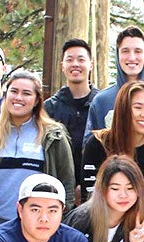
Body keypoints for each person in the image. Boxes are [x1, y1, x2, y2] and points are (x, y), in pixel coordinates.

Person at [0, 70, 75, 242]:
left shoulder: (54, 136)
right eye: (14, 91)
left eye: (26, 93)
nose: (18, 98)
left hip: (36, 233)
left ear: (37, 99)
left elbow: (67, 187)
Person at [81, 81, 144, 225]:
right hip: (104, 226)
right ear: (123, 110)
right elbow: (89, 196)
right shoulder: (98, 144)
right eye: (138, 107)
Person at [86, 26, 144, 140]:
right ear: (118, 55)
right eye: (125, 51)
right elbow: (90, 148)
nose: (132, 57)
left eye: (138, 51)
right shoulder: (101, 101)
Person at [45, 38, 100, 195]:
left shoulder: (102, 104)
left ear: (91, 64)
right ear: (62, 65)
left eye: (81, 59)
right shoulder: (49, 108)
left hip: (97, 189)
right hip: (56, 189)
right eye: (69, 60)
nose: (75, 64)